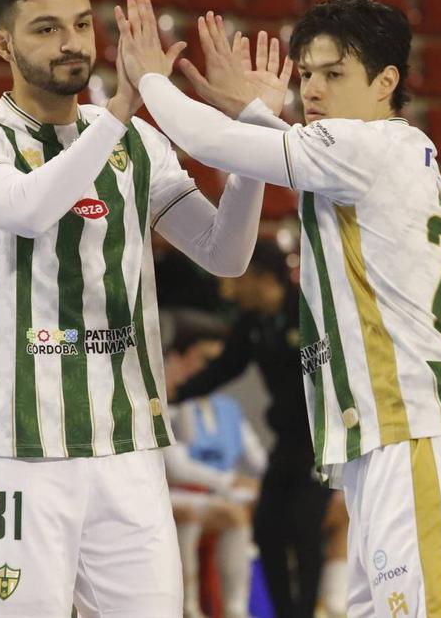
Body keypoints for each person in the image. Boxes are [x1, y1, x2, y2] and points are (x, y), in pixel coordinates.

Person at [120, 0, 441, 616]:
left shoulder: (367, 150)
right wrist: (251, 113)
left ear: (386, 83)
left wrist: (151, 81)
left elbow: (206, 143)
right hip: (386, 449)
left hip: (421, 442)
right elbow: (276, 148)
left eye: (334, 74)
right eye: (306, 75)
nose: (313, 90)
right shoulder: (376, 153)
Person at [0, 0, 265, 616]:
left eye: (82, 25)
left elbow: (225, 253)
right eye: (46, 28)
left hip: (129, 448)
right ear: (3, 43)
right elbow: (28, 207)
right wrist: (118, 107)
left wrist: (252, 134)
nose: (71, 44)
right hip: (21, 447)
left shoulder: (137, 142)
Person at [171, 242, 347, 617]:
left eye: (243, 277)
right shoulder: (253, 323)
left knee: (305, 529)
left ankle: (304, 611)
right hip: (287, 442)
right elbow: (225, 368)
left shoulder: (309, 313)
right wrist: (176, 394)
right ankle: (285, 611)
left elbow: (335, 380)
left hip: (319, 442)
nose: (233, 285)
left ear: (265, 278)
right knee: (267, 526)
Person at [161, 309, 265, 618]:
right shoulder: (163, 397)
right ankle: (190, 607)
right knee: (219, 509)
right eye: (207, 362)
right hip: (162, 490)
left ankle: (236, 609)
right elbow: (178, 468)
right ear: (179, 357)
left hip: (204, 491)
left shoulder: (224, 407)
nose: (212, 372)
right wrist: (229, 482)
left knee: (255, 505)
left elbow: (258, 459)